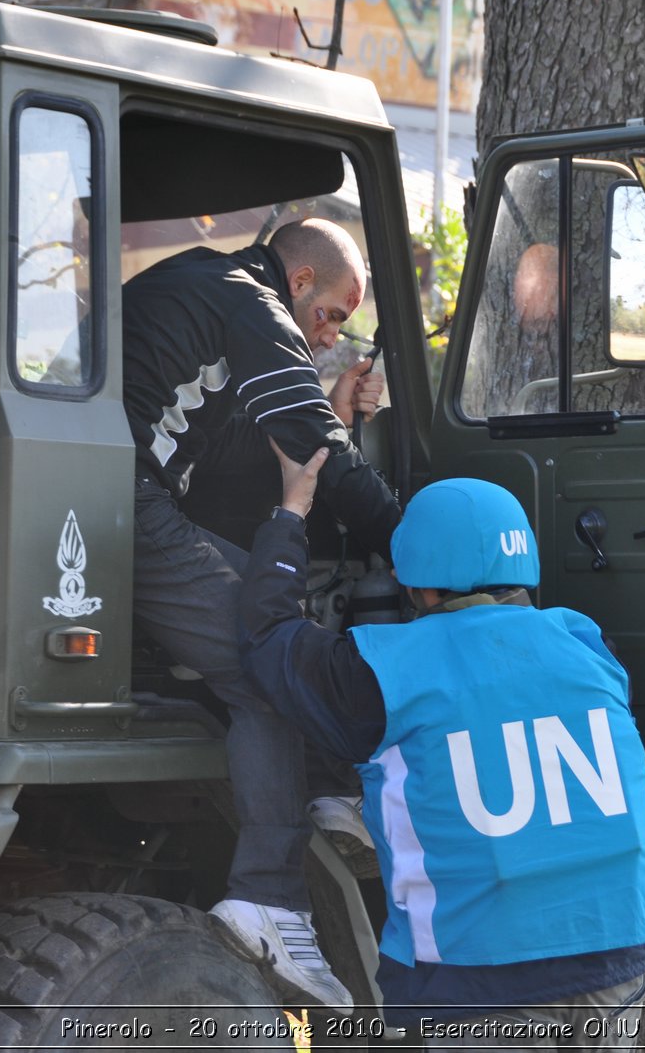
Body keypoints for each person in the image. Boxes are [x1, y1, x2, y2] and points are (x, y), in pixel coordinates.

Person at [238, 451, 645, 1048]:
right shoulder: (588, 642)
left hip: (476, 979)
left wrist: (291, 513)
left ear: (413, 583)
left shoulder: (384, 671)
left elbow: (268, 638)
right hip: (619, 960)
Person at [121, 218, 399, 1011]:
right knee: (265, 660)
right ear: (301, 281)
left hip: (116, 486)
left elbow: (243, 465)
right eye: (336, 317)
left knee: (262, 592)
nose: (332, 335)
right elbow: (316, 458)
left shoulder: (204, 288)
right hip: (123, 501)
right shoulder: (255, 305)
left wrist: (336, 408)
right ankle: (271, 900)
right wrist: (420, 549)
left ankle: (322, 784)